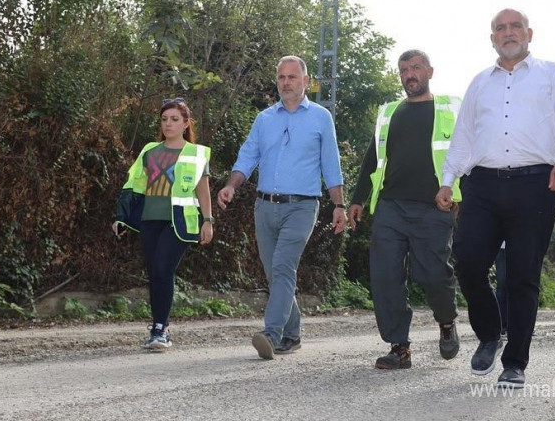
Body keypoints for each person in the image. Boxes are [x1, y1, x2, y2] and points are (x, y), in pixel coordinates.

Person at [434, 8, 555, 389]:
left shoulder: (551, 75)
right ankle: (489, 334)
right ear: (492, 39)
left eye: (515, 26)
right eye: (500, 28)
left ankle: (515, 362)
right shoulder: (480, 83)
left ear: (529, 33)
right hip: (482, 184)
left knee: (521, 277)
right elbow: (464, 137)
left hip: (535, 183)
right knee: (468, 260)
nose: (508, 32)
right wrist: (448, 180)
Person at [216, 55, 347, 360]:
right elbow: (248, 156)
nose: (286, 82)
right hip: (265, 206)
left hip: (302, 207)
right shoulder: (265, 119)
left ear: (306, 81)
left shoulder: (320, 118)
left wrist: (338, 204)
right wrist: (231, 186)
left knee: (283, 267)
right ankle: (292, 333)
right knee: (275, 274)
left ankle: (271, 334)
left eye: (292, 77)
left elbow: (331, 162)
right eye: (281, 77)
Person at [347, 49, 462, 370]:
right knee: (385, 277)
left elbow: (468, 153)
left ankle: (446, 321)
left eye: (415, 68)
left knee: (434, 275)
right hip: (390, 207)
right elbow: (372, 157)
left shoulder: (450, 110)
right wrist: (358, 199)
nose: (409, 74)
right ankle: (400, 348)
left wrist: (464, 198)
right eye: (404, 70)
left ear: (430, 71)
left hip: (434, 208)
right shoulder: (390, 113)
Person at [113, 98, 214, 351]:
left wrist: (208, 221)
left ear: (186, 123)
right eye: (164, 119)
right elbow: (133, 185)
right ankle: (159, 326)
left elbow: (203, 189)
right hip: (149, 220)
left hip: (180, 221)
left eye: (174, 119)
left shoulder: (196, 152)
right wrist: (121, 217)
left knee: (162, 268)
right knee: (154, 272)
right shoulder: (149, 150)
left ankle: (161, 329)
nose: (168, 124)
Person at [494, 242, 507, 338]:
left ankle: (521, 325)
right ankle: (501, 325)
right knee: (502, 285)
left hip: (521, 245)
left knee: (519, 286)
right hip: (502, 247)